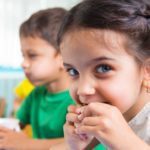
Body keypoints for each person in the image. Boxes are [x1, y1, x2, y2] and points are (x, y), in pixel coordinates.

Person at [51, 0, 150, 149]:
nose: (82, 90)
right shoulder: (112, 115)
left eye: (103, 68)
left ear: (147, 70)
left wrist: (126, 143)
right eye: (73, 71)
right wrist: (75, 146)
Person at [0, 7, 75, 150]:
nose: (24, 64)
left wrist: (27, 144)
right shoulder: (36, 94)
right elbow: (15, 123)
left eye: (32, 55)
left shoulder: (79, 100)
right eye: (23, 55)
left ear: (63, 56)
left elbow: (79, 145)